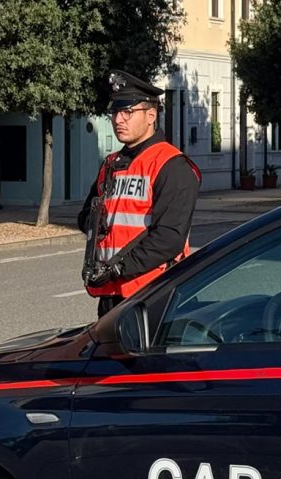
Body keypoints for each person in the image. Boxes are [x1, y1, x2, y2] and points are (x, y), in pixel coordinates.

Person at [79, 70, 202, 318]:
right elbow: (85, 218)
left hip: (155, 294)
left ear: (150, 116)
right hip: (111, 293)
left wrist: (118, 268)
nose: (118, 119)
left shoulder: (172, 165)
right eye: (115, 112)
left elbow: (169, 238)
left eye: (128, 112)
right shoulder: (111, 164)